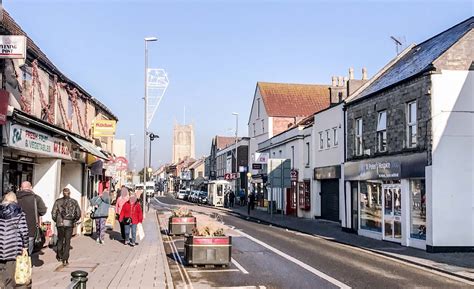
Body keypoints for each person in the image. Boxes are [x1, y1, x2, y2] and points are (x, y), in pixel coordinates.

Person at [0, 192, 29, 288]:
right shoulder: (19, 212)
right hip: (12, 247)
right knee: (11, 272)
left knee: (2, 272)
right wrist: (25, 246)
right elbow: (24, 231)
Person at [51, 188, 81, 266]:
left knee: (60, 239)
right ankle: (65, 258)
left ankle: (59, 256)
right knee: (67, 241)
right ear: (69, 193)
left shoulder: (58, 201)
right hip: (69, 223)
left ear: (63, 193)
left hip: (60, 223)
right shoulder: (74, 202)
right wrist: (74, 220)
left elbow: (53, 213)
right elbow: (78, 214)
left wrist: (57, 220)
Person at [16, 181, 47, 255]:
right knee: (28, 251)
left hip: (17, 228)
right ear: (31, 188)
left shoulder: (15, 198)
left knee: (17, 250)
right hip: (31, 229)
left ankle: (17, 264)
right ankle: (25, 264)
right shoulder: (36, 198)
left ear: (21, 188)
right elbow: (43, 211)